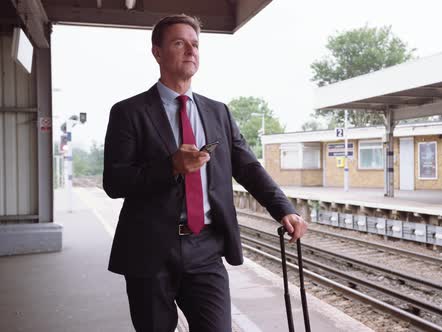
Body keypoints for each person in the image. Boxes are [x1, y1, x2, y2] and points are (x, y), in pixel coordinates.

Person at [102, 14, 307, 332]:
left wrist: (284, 209)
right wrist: (170, 166)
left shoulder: (218, 112)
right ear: (157, 52)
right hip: (149, 249)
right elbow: (115, 182)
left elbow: (247, 167)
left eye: (195, 44)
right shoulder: (129, 112)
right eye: (179, 43)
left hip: (206, 248)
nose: (190, 51)